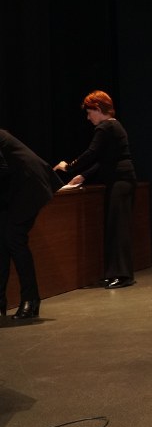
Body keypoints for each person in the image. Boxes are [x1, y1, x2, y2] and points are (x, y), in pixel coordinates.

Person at [54, 90, 137, 288]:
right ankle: (114, 273)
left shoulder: (105, 127)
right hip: (122, 181)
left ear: (98, 109)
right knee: (115, 227)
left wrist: (69, 167)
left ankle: (123, 275)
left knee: (118, 229)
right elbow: (104, 160)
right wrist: (83, 176)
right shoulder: (114, 126)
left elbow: (91, 154)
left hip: (120, 181)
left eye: (89, 112)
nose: (88, 117)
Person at [0, 130, 64, 320]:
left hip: (28, 186)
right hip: (15, 188)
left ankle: (31, 299)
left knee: (13, 238)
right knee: (3, 241)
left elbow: (2, 169)